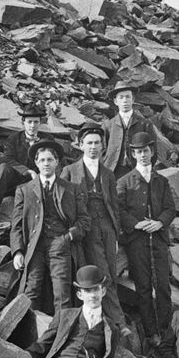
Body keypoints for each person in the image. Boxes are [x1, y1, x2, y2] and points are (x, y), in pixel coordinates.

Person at [60, 121, 130, 336]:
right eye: (89, 143)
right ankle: (119, 322)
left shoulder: (108, 174)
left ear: (103, 146)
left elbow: (114, 206)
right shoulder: (69, 171)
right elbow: (60, 199)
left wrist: (116, 232)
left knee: (110, 270)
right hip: (85, 229)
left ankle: (108, 319)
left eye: (97, 143)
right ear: (81, 145)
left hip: (107, 228)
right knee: (103, 273)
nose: (93, 147)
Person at [11, 139, 88, 315]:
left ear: (57, 162)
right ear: (36, 163)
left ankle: (63, 336)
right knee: (31, 291)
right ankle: (29, 336)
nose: (46, 164)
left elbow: (84, 221)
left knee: (62, 293)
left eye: (50, 160)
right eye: (42, 160)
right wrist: (17, 251)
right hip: (34, 247)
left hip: (60, 246)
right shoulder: (24, 190)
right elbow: (15, 225)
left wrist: (68, 237)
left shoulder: (71, 189)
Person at [116, 131, 175, 348]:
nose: (142, 155)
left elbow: (170, 209)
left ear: (151, 152)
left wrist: (160, 222)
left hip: (158, 240)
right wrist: (136, 224)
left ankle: (166, 330)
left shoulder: (162, 181)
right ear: (133, 154)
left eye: (146, 151)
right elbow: (119, 210)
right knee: (142, 287)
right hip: (137, 242)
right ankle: (152, 334)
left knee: (163, 286)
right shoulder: (124, 182)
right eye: (138, 152)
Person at [0, 104, 44, 223]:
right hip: (16, 178)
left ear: (40, 123)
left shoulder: (47, 139)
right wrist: (28, 171)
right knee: (3, 167)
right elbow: (7, 158)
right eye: (29, 122)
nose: (32, 126)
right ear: (23, 123)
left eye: (36, 122)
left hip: (38, 180)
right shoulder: (14, 138)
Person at [102, 82, 171, 180]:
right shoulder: (108, 125)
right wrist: (107, 165)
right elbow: (102, 150)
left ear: (133, 99)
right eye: (121, 97)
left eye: (127, 97)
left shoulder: (145, 124)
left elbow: (153, 151)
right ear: (115, 101)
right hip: (113, 172)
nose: (125, 100)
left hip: (136, 171)